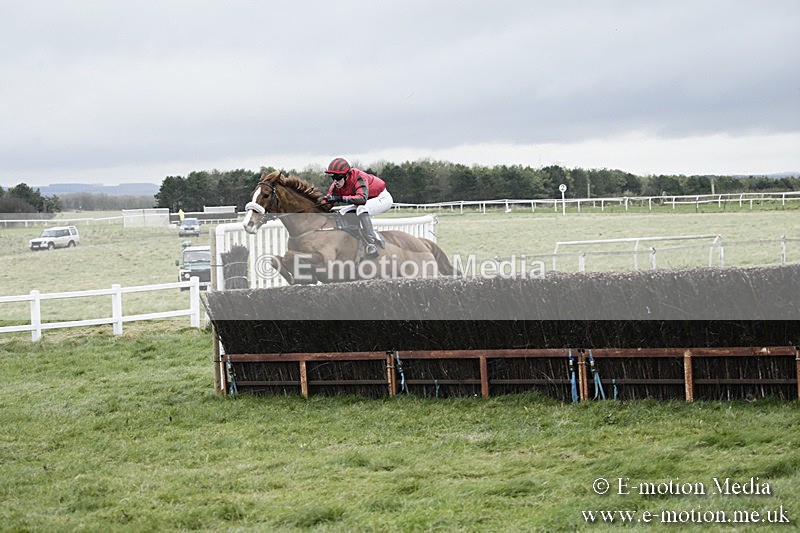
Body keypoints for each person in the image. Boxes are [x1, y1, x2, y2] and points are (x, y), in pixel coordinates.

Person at [322, 157, 393, 257]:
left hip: (382, 198)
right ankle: (355, 239)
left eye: (338, 178)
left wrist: (339, 198)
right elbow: (327, 202)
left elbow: (362, 199)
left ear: (346, 175)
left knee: (361, 209)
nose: (335, 181)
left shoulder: (359, 177)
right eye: (333, 178)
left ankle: (371, 242)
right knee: (342, 212)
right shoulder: (335, 186)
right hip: (366, 201)